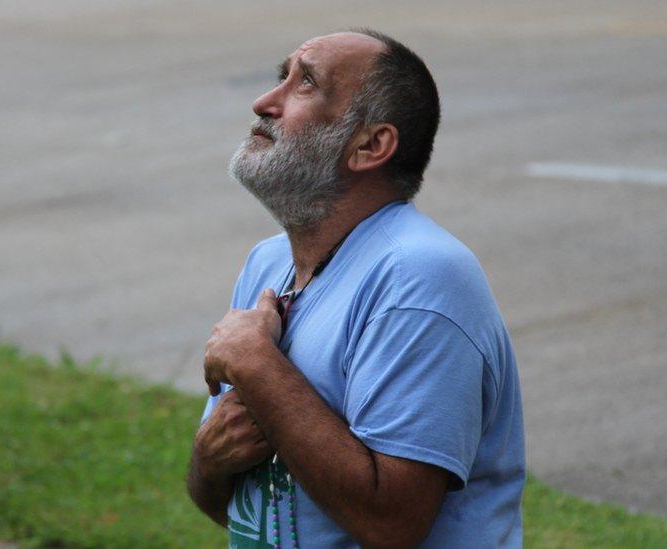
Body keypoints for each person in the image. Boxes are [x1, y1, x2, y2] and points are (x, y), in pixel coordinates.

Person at [186, 29, 525, 548]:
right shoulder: (268, 261)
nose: (264, 102)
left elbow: (392, 525)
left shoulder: (420, 278)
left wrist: (256, 366)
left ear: (370, 146)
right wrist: (208, 461)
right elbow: (233, 506)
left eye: (306, 84)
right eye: (282, 77)